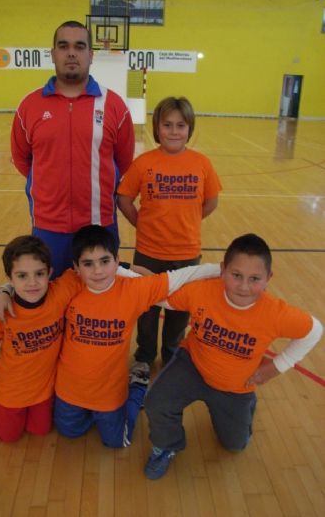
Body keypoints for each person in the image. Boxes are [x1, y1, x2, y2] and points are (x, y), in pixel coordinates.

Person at [143, 233, 323, 480]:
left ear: (268, 279)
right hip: (193, 364)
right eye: (236, 275)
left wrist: (275, 367)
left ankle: (247, 405)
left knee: (235, 445)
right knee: (156, 403)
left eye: (255, 279)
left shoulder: (275, 313)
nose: (244, 286)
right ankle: (166, 446)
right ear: (223, 270)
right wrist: (130, 277)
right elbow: (162, 296)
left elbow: (314, 330)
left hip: (235, 387)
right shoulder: (204, 291)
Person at [53, 225, 221, 448]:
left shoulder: (134, 289)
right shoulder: (70, 283)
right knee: (69, 432)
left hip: (109, 393)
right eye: (88, 264)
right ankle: (97, 414)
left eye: (105, 261)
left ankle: (138, 386)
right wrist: (5, 291)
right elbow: (35, 289)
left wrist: (223, 268)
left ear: (116, 260)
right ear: (75, 267)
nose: (98, 271)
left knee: (117, 442)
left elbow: (182, 275)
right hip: (69, 389)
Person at [10, 20, 135, 279]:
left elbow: (123, 161)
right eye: (63, 45)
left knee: (99, 303)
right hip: (48, 226)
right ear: (53, 53)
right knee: (52, 299)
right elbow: (23, 160)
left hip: (99, 226)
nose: (71, 53)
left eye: (79, 46)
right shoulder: (29, 105)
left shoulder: (114, 105)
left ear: (90, 55)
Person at [117, 96, 222, 384]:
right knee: (147, 309)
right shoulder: (144, 163)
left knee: (179, 310)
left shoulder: (201, 163)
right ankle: (144, 357)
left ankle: (172, 353)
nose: (174, 131)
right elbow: (124, 199)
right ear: (156, 127)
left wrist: (187, 221)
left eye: (181, 125)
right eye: (167, 125)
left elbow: (211, 202)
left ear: (190, 128)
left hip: (187, 253)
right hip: (149, 252)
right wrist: (143, 225)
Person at [0, 235, 83, 442]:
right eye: (22, 276)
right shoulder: (0, 311)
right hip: (11, 389)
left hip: (43, 388)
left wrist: (121, 266)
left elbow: (90, 270)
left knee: (41, 430)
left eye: (39, 274)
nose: (32, 283)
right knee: (8, 437)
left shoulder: (60, 292)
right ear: (10, 278)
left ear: (50, 273)